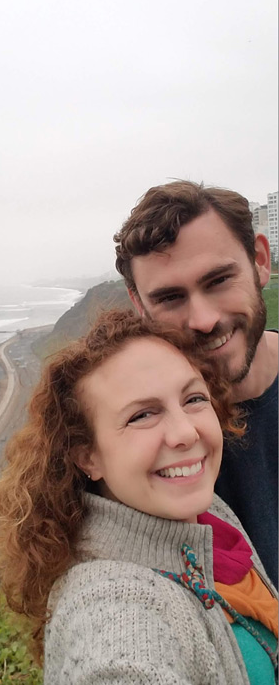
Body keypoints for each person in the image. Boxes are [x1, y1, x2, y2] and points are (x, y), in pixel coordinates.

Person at [0, 310, 277, 684]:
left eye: (193, 399)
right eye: (142, 415)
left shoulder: (207, 517)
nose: (185, 432)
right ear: (87, 455)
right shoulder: (114, 612)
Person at [113, 180, 278, 588]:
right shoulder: (139, 445)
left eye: (218, 280)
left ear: (260, 260)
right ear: (140, 306)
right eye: (170, 298)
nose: (203, 319)